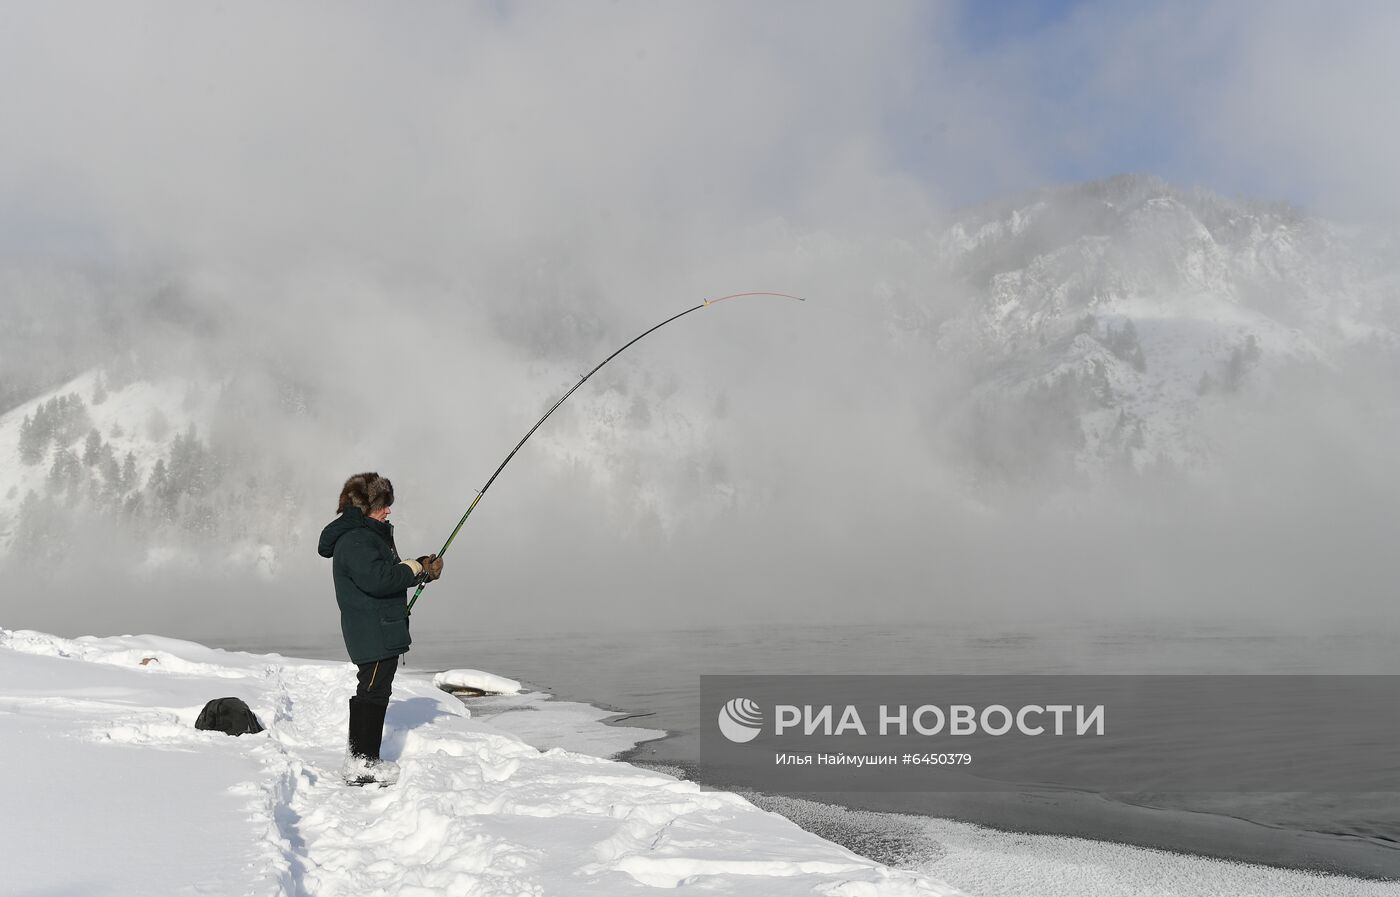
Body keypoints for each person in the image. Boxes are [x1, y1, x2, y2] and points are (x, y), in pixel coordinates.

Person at [317, 472, 444, 786]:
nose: (388, 511)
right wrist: (413, 567)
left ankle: (363, 760)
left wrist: (421, 568)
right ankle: (362, 764)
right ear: (363, 507)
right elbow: (379, 580)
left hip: (380, 628)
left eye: (387, 505)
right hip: (372, 632)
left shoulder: (369, 534)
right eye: (382, 506)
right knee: (372, 694)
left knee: (373, 691)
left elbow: (387, 573)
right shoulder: (356, 540)